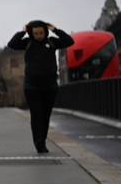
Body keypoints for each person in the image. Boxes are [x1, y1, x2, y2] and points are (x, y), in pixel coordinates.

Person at [7, 21, 74, 153]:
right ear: (32, 33)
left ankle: (42, 138)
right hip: (32, 85)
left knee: (46, 115)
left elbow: (69, 41)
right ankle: (39, 142)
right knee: (36, 115)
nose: (38, 36)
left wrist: (55, 29)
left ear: (45, 31)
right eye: (36, 33)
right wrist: (23, 32)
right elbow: (12, 44)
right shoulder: (28, 43)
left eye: (41, 33)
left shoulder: (52, 42)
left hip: (50, 85)